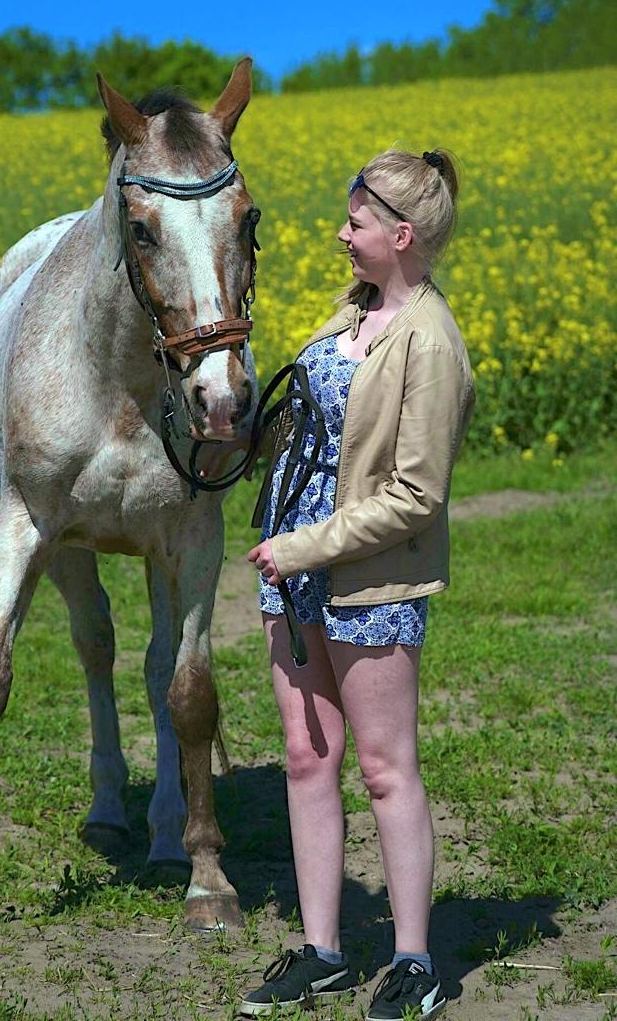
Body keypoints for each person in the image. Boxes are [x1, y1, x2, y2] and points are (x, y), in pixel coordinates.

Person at [238, 148, 475, 1019]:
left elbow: (415, 495)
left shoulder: (430, 340)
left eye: (357, 223)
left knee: (382, 768)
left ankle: (414, 960)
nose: (341, 235)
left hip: (367, 581)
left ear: (402, 234)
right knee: (308, 759)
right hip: (293, 569)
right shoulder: (350, 315)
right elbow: (306, 426)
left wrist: (305, 548)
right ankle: (323, 950)